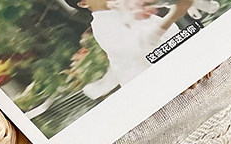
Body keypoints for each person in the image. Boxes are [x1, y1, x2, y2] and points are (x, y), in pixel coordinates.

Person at [65, 1, 195, 91]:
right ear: (84, 3)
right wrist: (173, 15)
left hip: (181, 73)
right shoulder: (102, 26)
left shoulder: (126, 7)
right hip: (158, 87)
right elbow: (142, 48)